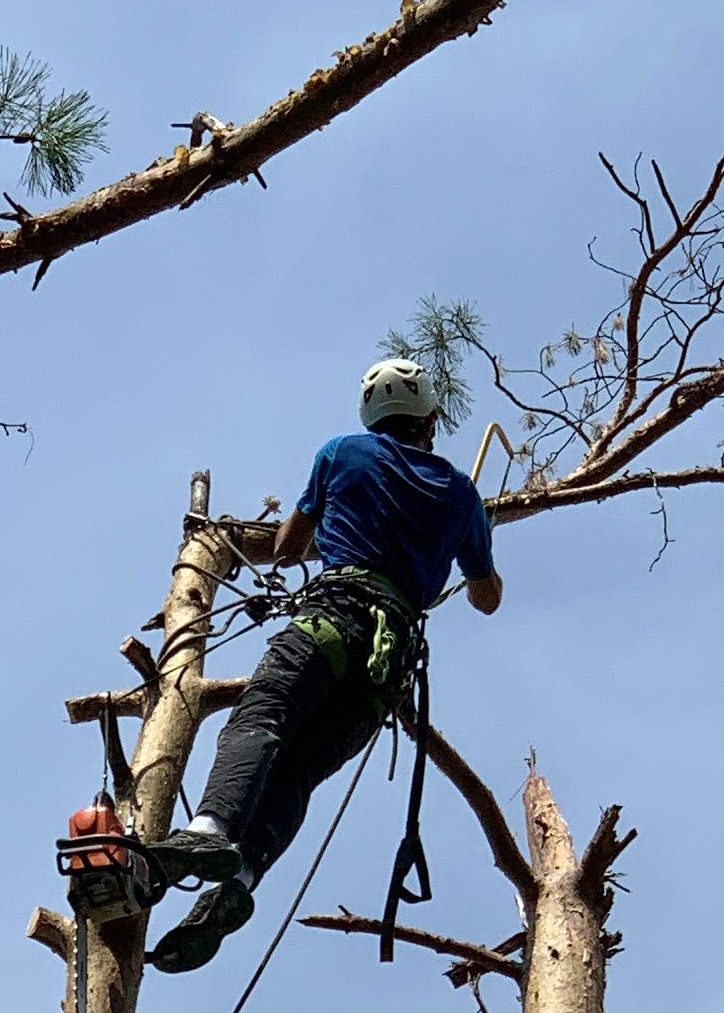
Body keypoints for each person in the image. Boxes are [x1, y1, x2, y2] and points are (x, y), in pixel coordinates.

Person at [148, 355, 503, 972]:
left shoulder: (343, 453)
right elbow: (487, 596)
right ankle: (243, 879)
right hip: (383, 672)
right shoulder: (461, 494)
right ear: (430, 418)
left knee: (261, 717)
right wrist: (466, 540)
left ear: (371, 414)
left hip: (333, 618)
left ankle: (207, 833)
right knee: (298, 773)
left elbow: (287, 547)